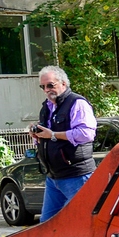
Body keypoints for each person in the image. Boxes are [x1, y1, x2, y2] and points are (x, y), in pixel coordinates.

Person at [31, 66, 97, 221]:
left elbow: (86, 134)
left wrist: (53, 135)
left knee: (81, 223)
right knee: (47, 225)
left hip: (77, 175)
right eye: (43, 87)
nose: (47, 90)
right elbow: (45, 136)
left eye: (50, 85)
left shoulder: (77, 103)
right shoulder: (46, 107)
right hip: (53, 177)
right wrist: (36, 134)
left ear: (63, 84)